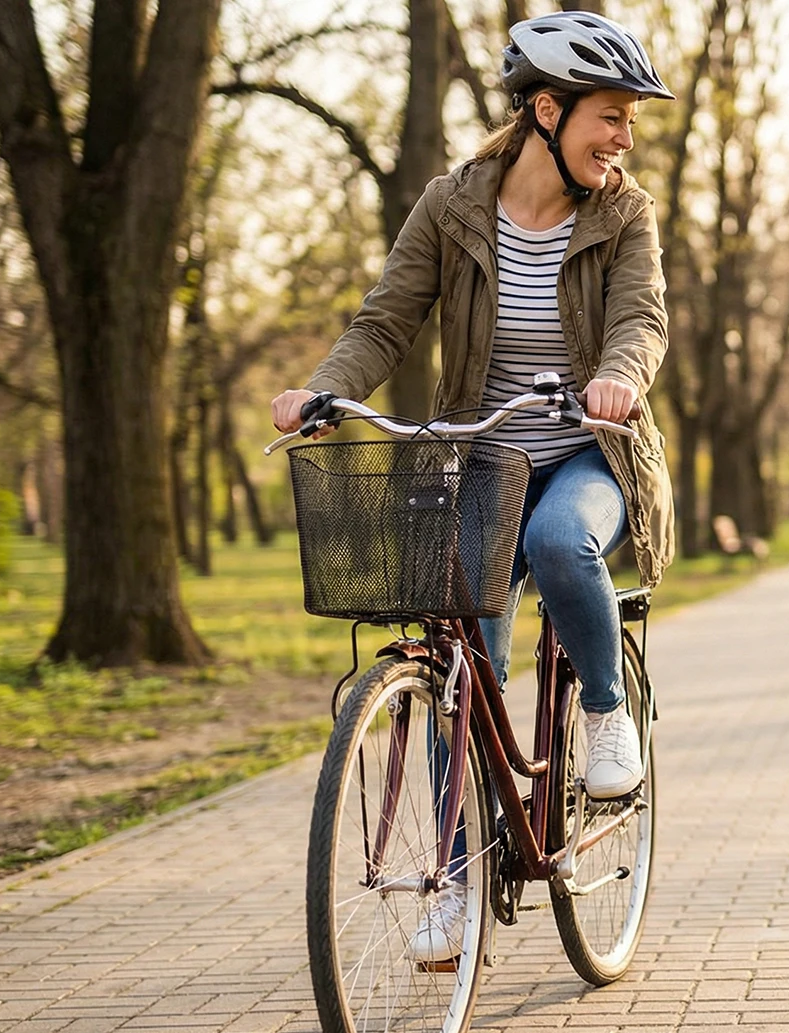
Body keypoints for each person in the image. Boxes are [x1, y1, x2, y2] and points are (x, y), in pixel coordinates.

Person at [268, 10, 677, 960]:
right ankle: (453, 881)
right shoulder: (451, 206)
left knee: (558, 541)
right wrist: (327, 390)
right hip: (485, 459)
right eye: (608, 115)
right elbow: (386, 318)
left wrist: (619, 378)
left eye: (628, 120)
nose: (622, 136)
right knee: (463, 679)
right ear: (546, 109)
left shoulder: (626, 213)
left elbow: (640, 318)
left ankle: (607, 716)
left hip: (589, 453)